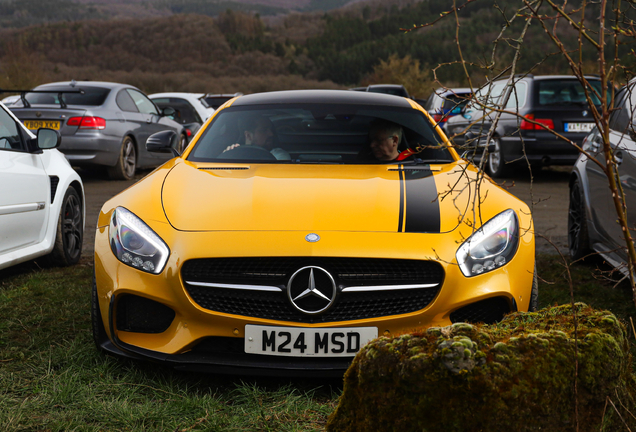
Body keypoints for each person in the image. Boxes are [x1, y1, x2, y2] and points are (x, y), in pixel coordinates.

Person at [223, 115, 290, 160]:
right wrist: (228, 155)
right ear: (248, 135)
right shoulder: (234, 153)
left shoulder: (278, 155)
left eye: (271, 130)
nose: (271, 134)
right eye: (263, 130)